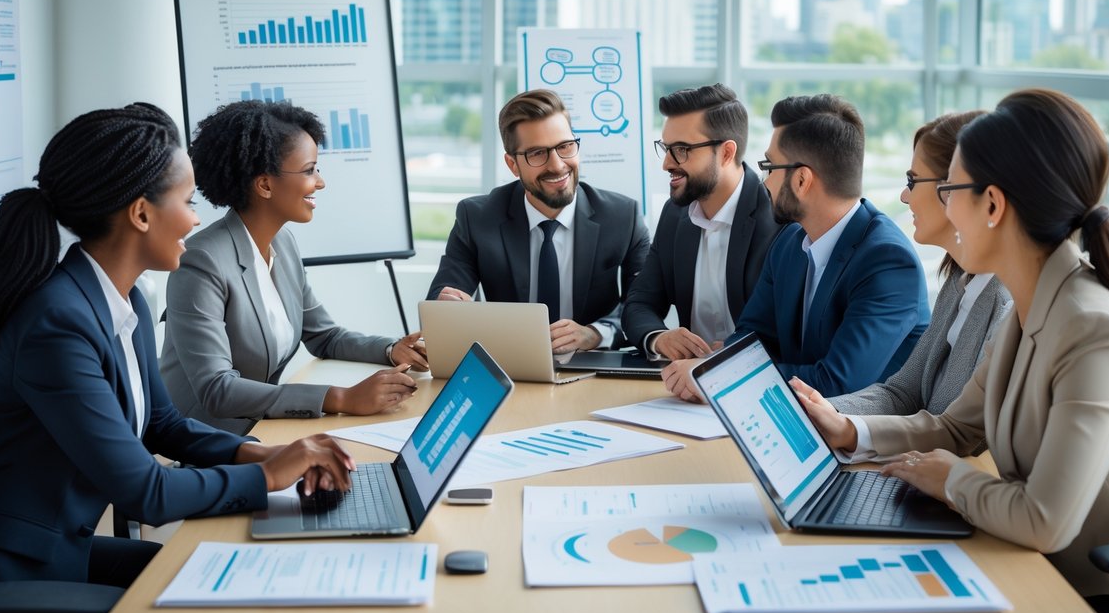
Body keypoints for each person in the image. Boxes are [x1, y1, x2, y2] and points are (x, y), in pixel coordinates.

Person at [791, 89, 1109, 613]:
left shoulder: (1092, 326)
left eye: (950, 190)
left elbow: (1046, 520)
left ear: (993, 206)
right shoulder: (1031, 305)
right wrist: (850, 429)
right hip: (1035, 568)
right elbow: (957, 429)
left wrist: (949, 479)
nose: (942, 206)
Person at [0, 103, 355, 613]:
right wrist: (273, 476)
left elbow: (164, 425)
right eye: (187, 201)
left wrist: (262, 455)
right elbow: (146, 492)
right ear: (140, 215)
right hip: (18, 573)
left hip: (65, 547)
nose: (197, 218)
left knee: (232, 576)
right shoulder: (57, 325)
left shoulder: (122, 296)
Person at [160, 100, 420, 435]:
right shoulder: (201, 262)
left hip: (263, 430)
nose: (320, 182)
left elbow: (325, 336)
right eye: (310, 170)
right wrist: (341, 398)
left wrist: (391, 349)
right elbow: (217, 389)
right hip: (201, 444)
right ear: (265, 185)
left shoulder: (283, 243)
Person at [663, 93, 929, 401]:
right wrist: (717, 367)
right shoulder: (790, 242)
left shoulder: (888, 262)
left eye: (769, 167)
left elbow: (837, 383)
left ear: (802, 180)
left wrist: (716, 377)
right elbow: (750, 340)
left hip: (868, 442)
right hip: (793, 422)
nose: (764, 182)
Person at [427, 89, 650, 352]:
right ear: (512, 164)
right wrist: (448, 306)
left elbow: (644, 306)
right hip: (511, 364)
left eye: (565, 147)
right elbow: (442, 297)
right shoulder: (477, 217)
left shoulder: (622, 217)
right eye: (537, 153)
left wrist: (596, 333)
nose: (557, 165)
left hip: (593, 364)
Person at [828, 110, 1012, 417]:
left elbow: (963, 436)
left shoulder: (1006, 303)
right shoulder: (959, 283)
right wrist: (817, 411)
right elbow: (903, 393)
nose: (904, 196)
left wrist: (843, 425)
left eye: (912, 181)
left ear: (953, 188)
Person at [622, 83, 780, 360]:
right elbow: (639, 303)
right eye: (666, 148)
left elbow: (784, 330)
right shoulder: (674, 214)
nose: (667, 163)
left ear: (727, 153)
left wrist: (731, 353)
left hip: (755, 382)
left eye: (681, 149)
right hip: (684, 385)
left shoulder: (778, 218)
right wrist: (659, 338)